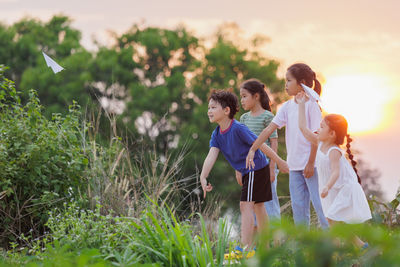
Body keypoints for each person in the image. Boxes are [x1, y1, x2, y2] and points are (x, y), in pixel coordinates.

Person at [200, 89, 289, 257]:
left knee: (245, 205)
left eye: (213, 107)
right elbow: (211, 155)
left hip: (255, 168)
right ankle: (266, 248)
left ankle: (244, 249)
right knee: (259, 207)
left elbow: (261, 144)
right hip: (254, 169)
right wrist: (203, 176)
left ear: (226, 111)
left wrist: (279, 161)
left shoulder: (238, 128)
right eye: (209, 108)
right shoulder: (217, 134)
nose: (209, 111)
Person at [246, 63, 329, 229]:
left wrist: (311, 163)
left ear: (302, 82)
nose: (286, 84)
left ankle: (333, 247)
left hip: (312, 166)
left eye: (289, 81)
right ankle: (302, 249)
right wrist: (253, 148)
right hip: (295, 167)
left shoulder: (312, 105)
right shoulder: (286, 107)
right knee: (299, 210)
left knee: (321, 207)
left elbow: (315, 138)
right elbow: (269, 129)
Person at [296, 91, 372, 248]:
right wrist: (302, 104)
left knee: (332, 219)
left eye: (322, 126)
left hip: (342, 188)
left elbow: (336, 172)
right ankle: (362, 247)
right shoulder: (319, 142)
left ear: (331, 134)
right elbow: (303, 128)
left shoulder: (334, 151)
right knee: (334, 220)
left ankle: (335, 251)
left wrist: (327, 186)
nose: (318, 128)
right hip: (332, 190)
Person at [238, 79, 281, 221]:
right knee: (253, 204)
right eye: (241, 97)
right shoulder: (243, 118)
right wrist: (238, 170)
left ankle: (276, 238)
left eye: (244, 96)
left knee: (269, 203)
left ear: (256, 96)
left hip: (266, 167)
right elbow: (241, 146)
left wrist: (272, 167)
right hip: (249, 169)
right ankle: (257, 240)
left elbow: (273, 143)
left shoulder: (268, 117)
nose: (242, 100)